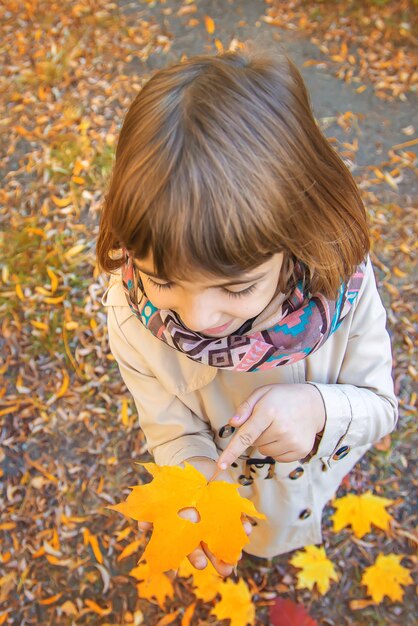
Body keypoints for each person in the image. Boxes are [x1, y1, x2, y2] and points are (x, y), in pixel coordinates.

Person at [96, 46, 398, 577]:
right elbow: (170, 428)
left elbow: (380, 405)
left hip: (315, 472)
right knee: (257, 538)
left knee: (296, 517)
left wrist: (321, 411)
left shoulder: (341, 290)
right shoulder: (131, 315)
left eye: (235, 288)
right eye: (163, 280)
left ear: (296, 233)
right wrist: (196, 485)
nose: (196, 318)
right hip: (240, 496)